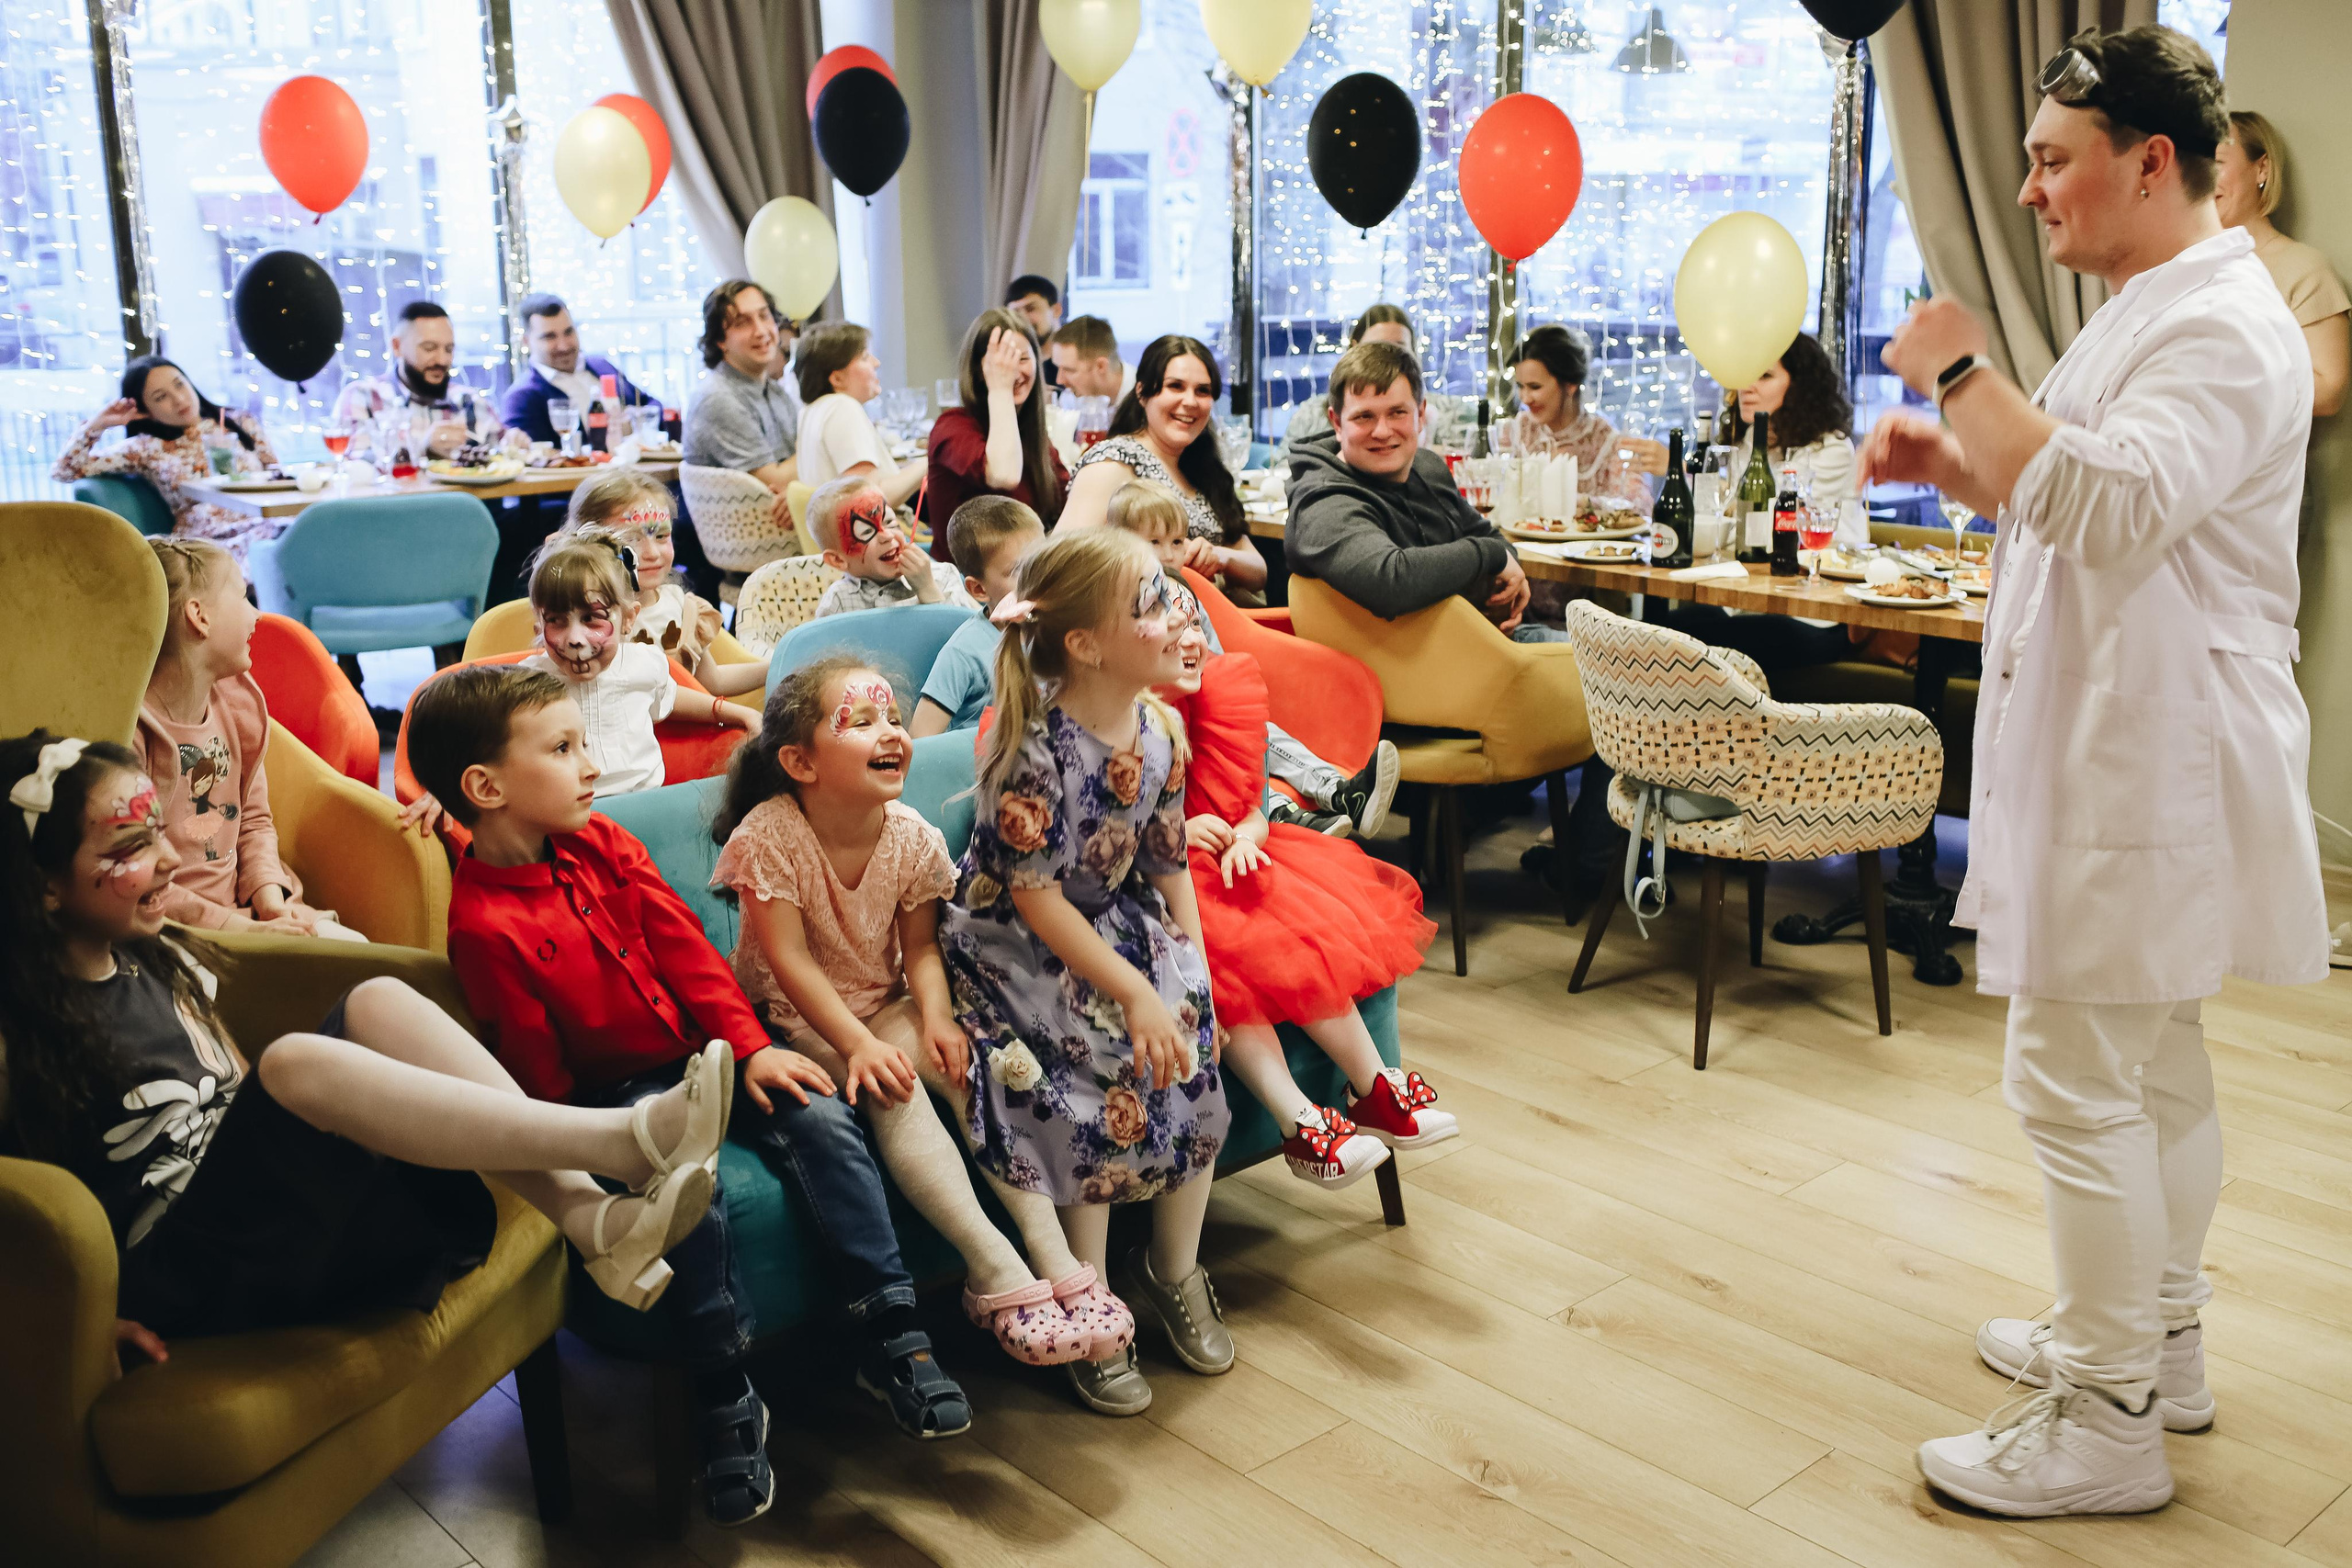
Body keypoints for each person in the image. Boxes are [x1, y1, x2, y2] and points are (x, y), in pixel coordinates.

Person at [1859, 24, 2328, 1517]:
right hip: (2143, 736)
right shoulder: (2164, 298)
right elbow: (2083, 464)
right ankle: (2155, 1340)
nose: (2029, 191)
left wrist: (1962, 367)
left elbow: (2118, 507)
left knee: (2073, 1077)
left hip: (2153, 752)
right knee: (2150, 1059)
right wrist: (1959, 462)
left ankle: (2109, 1414)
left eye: (2054, 162)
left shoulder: (2221, 322)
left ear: (2152, 162)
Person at [413, 668, 968, 1524]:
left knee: (822, 1118)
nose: (589, 763)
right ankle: (724, 1388)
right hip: (618, 1097)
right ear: (486, 788)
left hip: (714, 1050)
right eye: (563, 749)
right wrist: (605, 1149)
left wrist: (751, 1049)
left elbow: (687, 953)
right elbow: (540, 1077)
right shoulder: (482, 925)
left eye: (585, 742)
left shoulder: (604, 843)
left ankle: (892, 1330)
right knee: (686, 1202)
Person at [0, 728, 725, 1369]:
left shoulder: (159, 955)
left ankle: (592, 1217)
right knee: (293, 1061)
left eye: (159, 831)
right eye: (129, 847)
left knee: (373, 999)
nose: (165, 860)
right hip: (189, 1275)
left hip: (265, 1213)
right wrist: (80, 1320)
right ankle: (621, 1141)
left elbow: (237, 1089)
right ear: (44, 890)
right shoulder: (20, 1027)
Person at [711, 657, 1115, 1369]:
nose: (890, 731)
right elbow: (790, 963)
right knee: (895, 1092)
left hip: (885, 997)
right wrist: (859, 1045)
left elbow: (920, 947)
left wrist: (936, 1018)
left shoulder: (911, 835)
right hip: (799, 1014)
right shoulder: (768, 835)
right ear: (800, 761)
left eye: (892, 717)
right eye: (860, 721)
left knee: (972, 1073)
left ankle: (1058, 1260)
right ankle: (993, 1267)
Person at [940, 528, 1231, 1417]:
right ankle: (1093, 1299)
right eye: (1150, 600)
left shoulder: (1160, 727)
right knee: (1096, 1087)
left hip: (1111, 926)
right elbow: (1033, 901)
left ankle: (1174, 1270)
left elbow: (1166, 855)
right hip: (1016, 946)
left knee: (1193, 1065)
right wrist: (1135, 992)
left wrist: (1187, 968)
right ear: (1085, 642)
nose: (1176, 611)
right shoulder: (1034, 751)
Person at [1156, 586, 1448, 1190]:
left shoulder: (1222, 698)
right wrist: (1178, 831)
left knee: (1296, 927)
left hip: (1228, 864)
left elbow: (1256, 807)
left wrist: (1244, 835)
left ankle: (1375, 1088)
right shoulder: (1114, 722)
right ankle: (1299, 1119)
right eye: (1172, 627)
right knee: (1230, 952)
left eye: (1195, 624)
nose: (1196, 640)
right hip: (1155, 882)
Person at [398, 537, 759, 834]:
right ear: (539, 626)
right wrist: (446, 791)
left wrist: (733, 712)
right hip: (567, 824)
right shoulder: (529, 683)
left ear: (628, 619)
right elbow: (481, 738)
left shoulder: (645, 663)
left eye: (592, 619)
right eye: (556, 621)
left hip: (649, 814)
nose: (574, 638)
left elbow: (666, 695)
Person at [1106, 480, 1398, 839]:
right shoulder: (1124, 597)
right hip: (1154, 707)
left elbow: (1213, 659)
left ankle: (1331, 793)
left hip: (1196, 697)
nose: (1168, 555)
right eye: (1153, 542)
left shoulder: (1186, 591)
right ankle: (1308, 801)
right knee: (1232, 733)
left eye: (1177, 542)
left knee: (1244, 726)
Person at [135, 539, 361, 941]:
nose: (256, 614)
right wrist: (237, 929)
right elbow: (134, 875)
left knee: (351, 948)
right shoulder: (132, 735)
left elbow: (254, 819)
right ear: (199, 616)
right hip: (168, 930)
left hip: (247, 912)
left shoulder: (237, 703)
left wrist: (268, 897)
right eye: (243, 596)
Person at [1061, 335, 1267, 596]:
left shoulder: (1201, 468)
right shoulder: (1114, 461)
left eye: (1202, 391)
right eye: (1175, 386)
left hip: (1214, 623)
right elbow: (1063, 563)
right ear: (1142, 393)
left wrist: (1220, 556)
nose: (1191, 401)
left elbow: (1259, 572)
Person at [51, 355, 282, 560]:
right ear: (146, 409)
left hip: (263, 522)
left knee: (295, 533)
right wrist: (97, 424)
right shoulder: (146, 447)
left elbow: (276, 474)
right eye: (161, 397)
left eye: (180, 384)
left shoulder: (239, 422)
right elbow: (64, 471)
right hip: (209, 542)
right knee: (272, 550)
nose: (180, 400)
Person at [559, 469, 763, 699]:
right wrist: (720, 711)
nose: (652, 553)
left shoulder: (680, 605)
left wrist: (780, 666)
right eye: (630, 539)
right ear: (587, 545)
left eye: (661, 536)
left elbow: (712, 682)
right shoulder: (588, 622)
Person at [2214, 111, 2348, 419]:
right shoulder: (2180, 265)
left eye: (2216, 163)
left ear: (2261, 169)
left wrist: (2219, 384)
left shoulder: (2303, 269)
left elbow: (2328, 391)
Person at [912, 496, 1048, 737]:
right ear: (979, 590)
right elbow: (921, 739)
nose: (1038, 577)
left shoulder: (1059, 628)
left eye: (1042, 560)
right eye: (1018, 571)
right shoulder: (963, 652)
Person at [923, 310, 1069, 536]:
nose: (1014, 372)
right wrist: (1000, 388)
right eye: (1002, 363)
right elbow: (1004, 475)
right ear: (979, 371)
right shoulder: (952, 427)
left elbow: (1067, 499)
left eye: (1022, 359)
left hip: (1026, 564)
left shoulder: (1029, 431)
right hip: (964, 571)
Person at [1278, 304, 1472, 468]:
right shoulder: (1310, 415)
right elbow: (1282, 470)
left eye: (1398, 348)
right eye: (1364, 416)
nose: (1386, 360)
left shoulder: (1448, 414)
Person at [683, 279, 800, 541]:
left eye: (764, 316)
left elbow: (800, 472)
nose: (761, 331)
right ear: (720, 340)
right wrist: (821, 441)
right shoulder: (718, 399)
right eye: (742, 323)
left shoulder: (777, 392)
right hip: (761, 540)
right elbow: (777, 481)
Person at [1505, 324, 1668, 504]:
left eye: (1535, 387)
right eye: (1520, 386)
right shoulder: (1519, 430)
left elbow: (1639, 506)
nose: (1525, 398)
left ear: (1570, 385)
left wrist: (1579, 504)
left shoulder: (1605, 440)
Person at [330, 300, 504, 456]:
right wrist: (421, 449)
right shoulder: (363, 397)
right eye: (429, 348)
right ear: (397, 347)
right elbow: (354, 466)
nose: (442, 360)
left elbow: (505, 456)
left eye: (449, 349)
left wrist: (515, 444)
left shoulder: (470, 402)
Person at [1713, 332, 1860, 507]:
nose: (1746, 387)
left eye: (1764, 376)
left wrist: (1719, 494)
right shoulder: (1751, 437)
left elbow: (1778, 514)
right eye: (1745, 375)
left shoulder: (1831, 450)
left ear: (1799, 385)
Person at [792, 322, 924, 509]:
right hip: (879, 535)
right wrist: (928, 463)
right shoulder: (842, 408)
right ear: (837, 378)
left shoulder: (809, 412)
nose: (876, 363)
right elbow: (870, 501)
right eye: (864, 357)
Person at [808, 478, 977, 618]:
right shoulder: (838, 602)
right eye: (866, 532)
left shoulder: (943, 576)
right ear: (838, 560)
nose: (887, 536)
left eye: (889, 522)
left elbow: (963, 641)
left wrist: (927, 589)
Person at [499, 293, 647, 446]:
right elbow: (531, 456)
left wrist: (639, 418)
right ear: (527, 342)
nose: (564, 346)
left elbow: (650, 403)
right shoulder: (522, 398)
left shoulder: (602, 366)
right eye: (550, 337)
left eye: (568, 332)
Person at [1047, 315, 1133, 405]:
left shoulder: (1144, 397)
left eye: (1069, 370)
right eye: (1058, 368)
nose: (1059, 380)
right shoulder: (1070, 399)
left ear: (1101, 366)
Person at [1004, 274, 1063, 344]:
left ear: (1056, 310)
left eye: (1031, 309)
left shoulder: (1077, 351)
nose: (1023, 318)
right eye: (1015, 313)